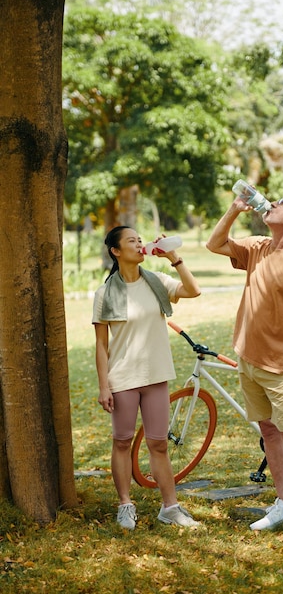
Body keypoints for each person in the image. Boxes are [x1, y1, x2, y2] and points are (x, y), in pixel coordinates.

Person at [206, 194, 283, 546]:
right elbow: (214, 244)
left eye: (281, 202)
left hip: (280, 366)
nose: (271, 204)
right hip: (248, 359)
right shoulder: (259, 247)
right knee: (269, 432)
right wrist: (233, 209)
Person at [92, 226, 201, 530]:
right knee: (123, 441)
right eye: (132, 241)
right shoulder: (104, 294)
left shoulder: (156, 281)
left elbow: (193, 290)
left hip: (156, 376)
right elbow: (101, 345)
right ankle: (125, 504)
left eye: (140, 240)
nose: (139, 244)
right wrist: (104, 386)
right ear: (116, 251)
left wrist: (174, 257)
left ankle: (170, 508)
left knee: (159, 444)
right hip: (123, 378)